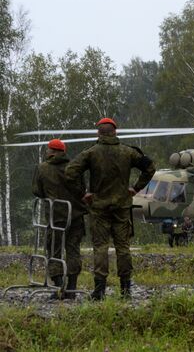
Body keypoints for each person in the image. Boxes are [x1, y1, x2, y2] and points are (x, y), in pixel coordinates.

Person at [65, 118, 155, 300]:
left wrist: (83, 193)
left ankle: (99, 291)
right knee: (123, 247)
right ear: (115, 132)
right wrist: (136, 188)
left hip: (99, 208)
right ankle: (125, 290)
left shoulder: (91, 153)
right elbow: (150, 167)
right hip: (122, 207)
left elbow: (70, 172)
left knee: (100, 247)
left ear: (98, 133)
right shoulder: (129, 152)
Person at [32, 139, 87, 300]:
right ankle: (71, 288)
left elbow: (37, 191)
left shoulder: (42, 168)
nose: (47, 152)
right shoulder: (74, 168)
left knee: (54, 250)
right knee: (73, 251)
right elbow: (81, 189)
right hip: (75, 216)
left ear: (52, 152)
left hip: (56, 217)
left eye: (48, 150)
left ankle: (58, 286)